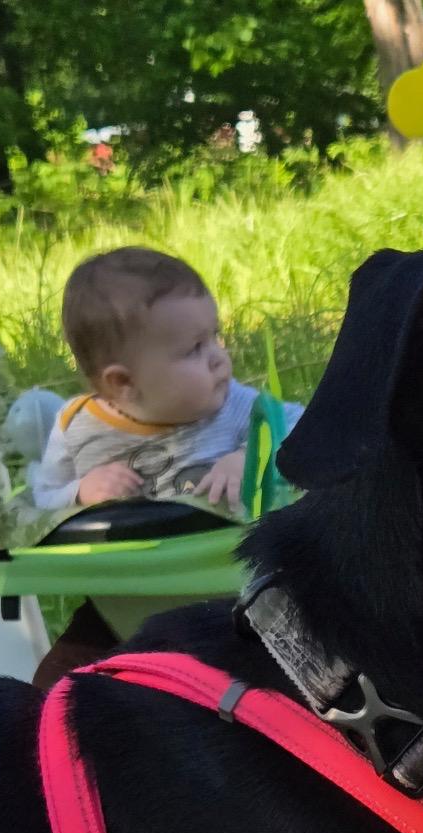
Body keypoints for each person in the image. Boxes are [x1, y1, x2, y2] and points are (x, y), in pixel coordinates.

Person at [30, 247, 304, 686]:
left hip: (237, 595)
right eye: (196, 348)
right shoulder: (77, 428)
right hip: (123, 597)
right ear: (123, 382)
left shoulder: (236, 407)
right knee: (52, 686)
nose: (219, 357)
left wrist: (253, 456)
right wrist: (80, 491)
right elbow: (37, 504)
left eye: (216, 336)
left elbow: (307, 431)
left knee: (294, 672)